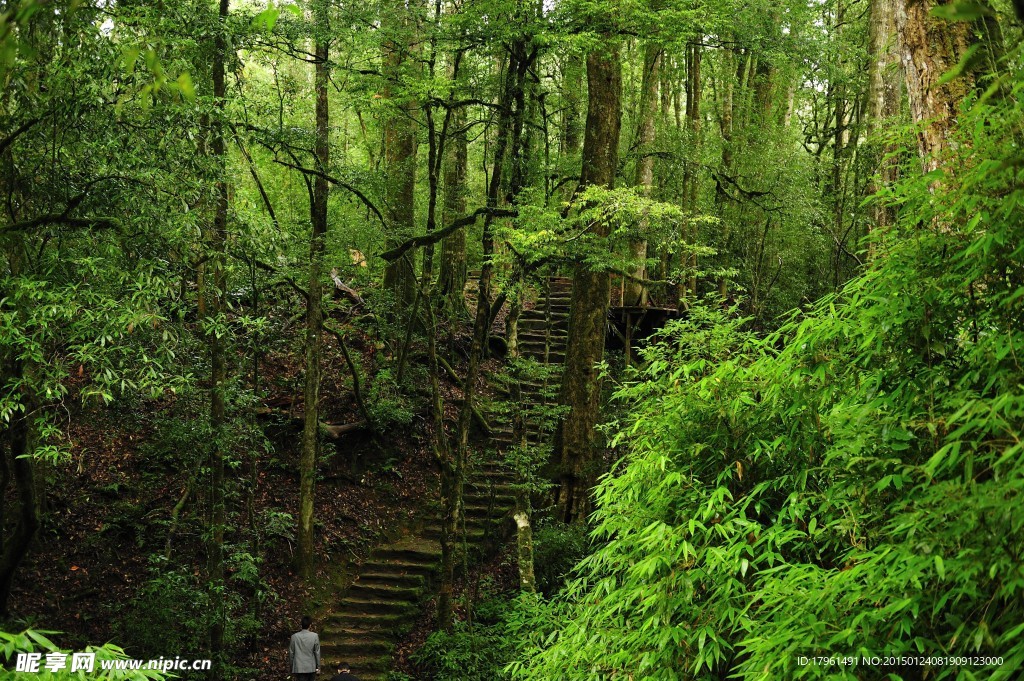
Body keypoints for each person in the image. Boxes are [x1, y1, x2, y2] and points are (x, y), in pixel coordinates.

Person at [288, 615, 321, 681]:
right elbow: (317, 652)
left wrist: (292, 666)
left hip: (299, 667)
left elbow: (291, 653)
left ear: (301, 625)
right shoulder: (314, 636)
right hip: (311, 666)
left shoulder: (294, 637)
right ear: (310, 625)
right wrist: (318, 666)